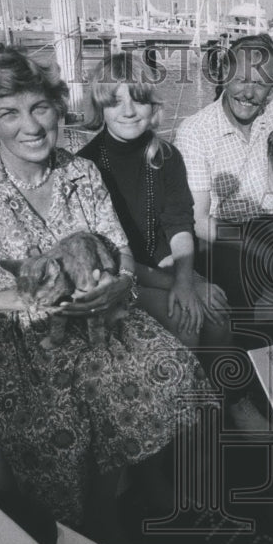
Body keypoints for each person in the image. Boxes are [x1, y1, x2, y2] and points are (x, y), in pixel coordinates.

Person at [0, 44, 210, 544]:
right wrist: (15, 300)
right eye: (9, 112)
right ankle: (89, 523)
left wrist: (117, 284)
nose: (30, 126)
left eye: (40, 108)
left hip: (93, 312)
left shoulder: (81, 172)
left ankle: (136, 484)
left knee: (173, 368)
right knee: (64, 408)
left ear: (58, 109)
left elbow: (116, 246)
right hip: (4, 334)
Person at [77, 52, 230, 349]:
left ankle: (220, 393)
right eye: (115, 101)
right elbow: (104, 254)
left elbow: (179, 222)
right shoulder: (86, 166)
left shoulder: (166, 156)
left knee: (220, 316)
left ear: (153, 105)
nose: (129, 111)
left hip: (166, 262)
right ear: (100, 108)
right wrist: (181, 286)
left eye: (139, 99)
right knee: (186, 323)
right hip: (118, 273)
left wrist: (187, 280)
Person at [173, 33, 273, 305]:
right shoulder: (195, 132)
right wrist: (260, 251)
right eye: (241, 80)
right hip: (221, 235)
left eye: (261, 84)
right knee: (245, 278)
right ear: (225, 76)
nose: (249, 94)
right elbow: (200, 221)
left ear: (272, 87)